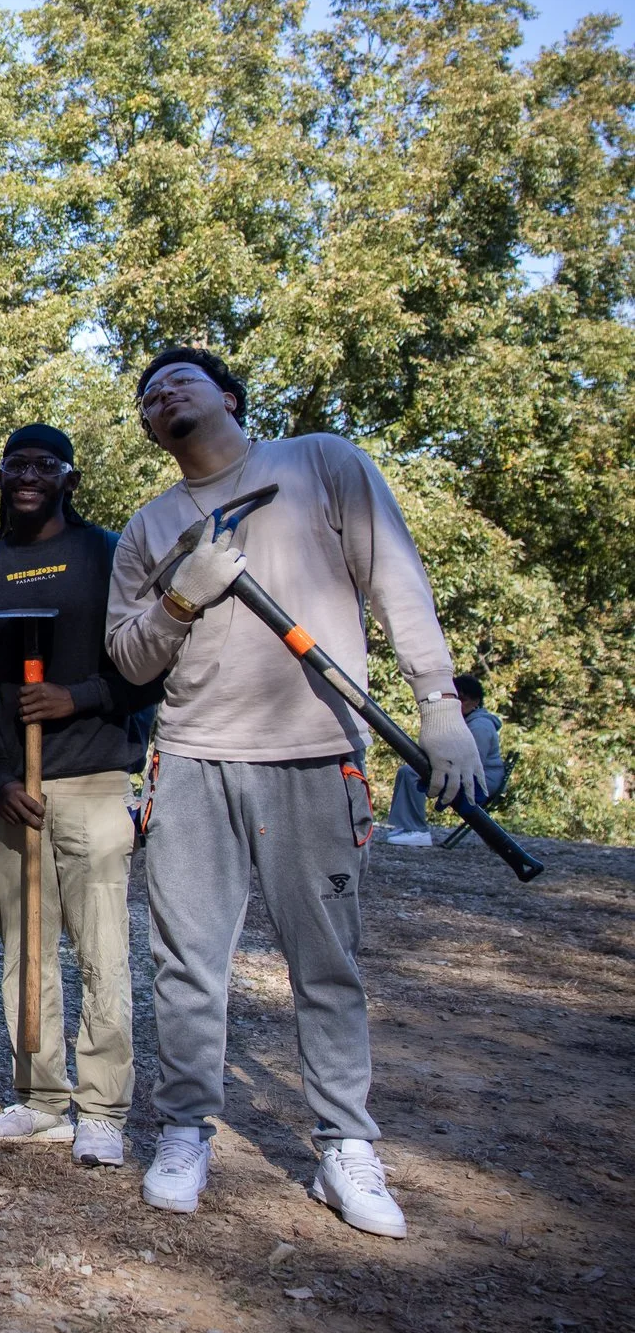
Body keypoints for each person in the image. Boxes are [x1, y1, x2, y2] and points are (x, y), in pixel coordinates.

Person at [109, 346, 483, 1238]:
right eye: (150, 396)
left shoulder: (319, 462)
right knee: (187, 963)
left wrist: (439, 705)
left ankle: (344, 1146)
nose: (164, 395)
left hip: (317, 751)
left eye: (181, 381)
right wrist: (178, 603)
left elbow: (398, 581)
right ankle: (186, 1128)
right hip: (193, 759)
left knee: (326, 963)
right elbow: (127, 658)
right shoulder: (150, 527)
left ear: (232, 396)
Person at [0, 424, 162, 1165]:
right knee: (23, 951)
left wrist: (80, 696)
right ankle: (39, 1099)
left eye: (46, 464)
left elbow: (152, 664)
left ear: (69, 477)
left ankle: (102, 1110)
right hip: (13, 794)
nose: (28, 475)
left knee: (102, 951)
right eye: (16, 464)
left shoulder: (110, 557)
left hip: (94, 781)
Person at [384, 674, 505, 842]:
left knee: (412, 773)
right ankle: (406, 826)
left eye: (462, 700)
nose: (458, 705)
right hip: (462, 770)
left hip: (479, 779)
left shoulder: (480, 726)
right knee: (410, 769)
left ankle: (417, 831)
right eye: (455, 699)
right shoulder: (461, 721)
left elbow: (471, 761)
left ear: (475, 702)